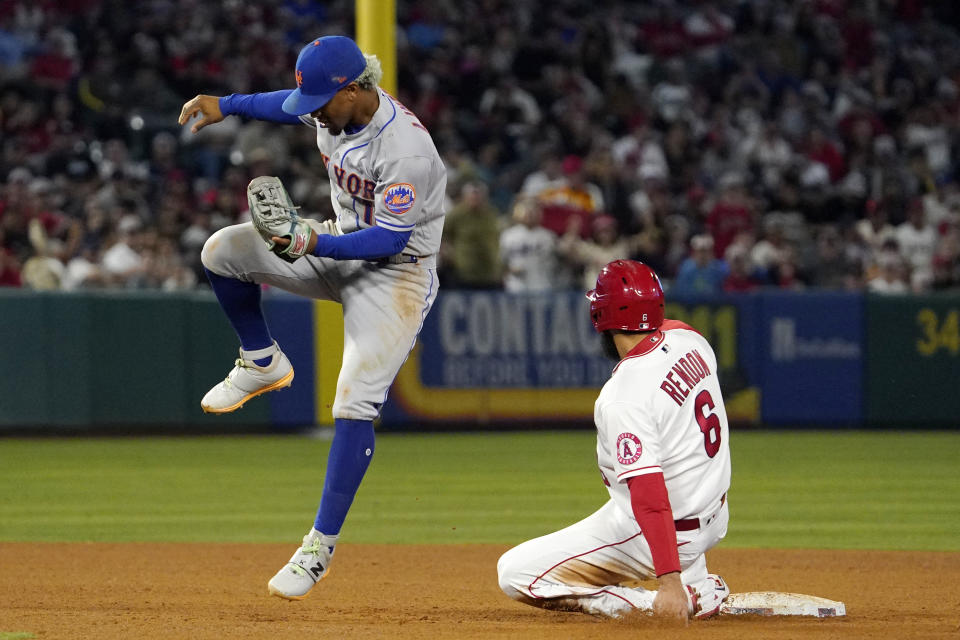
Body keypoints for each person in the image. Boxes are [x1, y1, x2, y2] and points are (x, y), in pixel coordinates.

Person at [177, 35, 446, 600]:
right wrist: (223, 103)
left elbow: (389, 240)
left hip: (396, 274)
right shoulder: (330, 107)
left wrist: (311, 239)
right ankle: (261, 360)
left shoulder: (405, 149)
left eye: (325, 98)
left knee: (353, 400)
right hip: (335, 245)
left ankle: (318, 548)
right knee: (221, 251)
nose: (315, 110)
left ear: (356, 88)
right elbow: (284, 102)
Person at [498, 259, 731, 622]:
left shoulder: (623, 395)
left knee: (514, 573)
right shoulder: (691, 341)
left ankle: (663, 598)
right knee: (663, 474)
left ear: (601, 318)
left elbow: (649, 496)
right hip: (714, 515)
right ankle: (698, 580)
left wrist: (668, 582)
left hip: (666, 532)